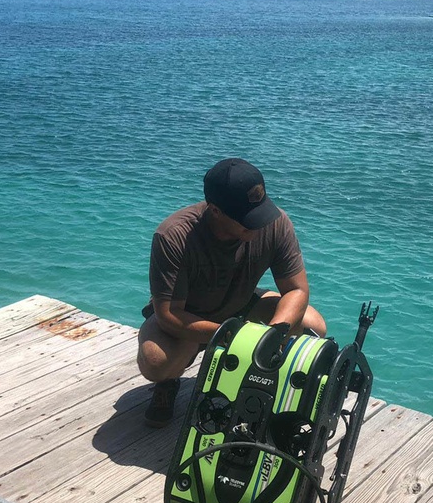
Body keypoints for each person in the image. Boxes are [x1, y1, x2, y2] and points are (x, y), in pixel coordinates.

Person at [137, 158, 326, 427]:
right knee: (156, 361)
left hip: (241, 302)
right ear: (215, 211)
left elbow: (296, 289)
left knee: (313, 326)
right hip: (188, 316)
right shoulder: (174, 235)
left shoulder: (277, 223)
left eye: (260, 212)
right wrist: (233, 336)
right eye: (247, 221)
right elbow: (169, 314)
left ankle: (266, 381)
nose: (258, 225)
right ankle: (168, 385)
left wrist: (275, 334)